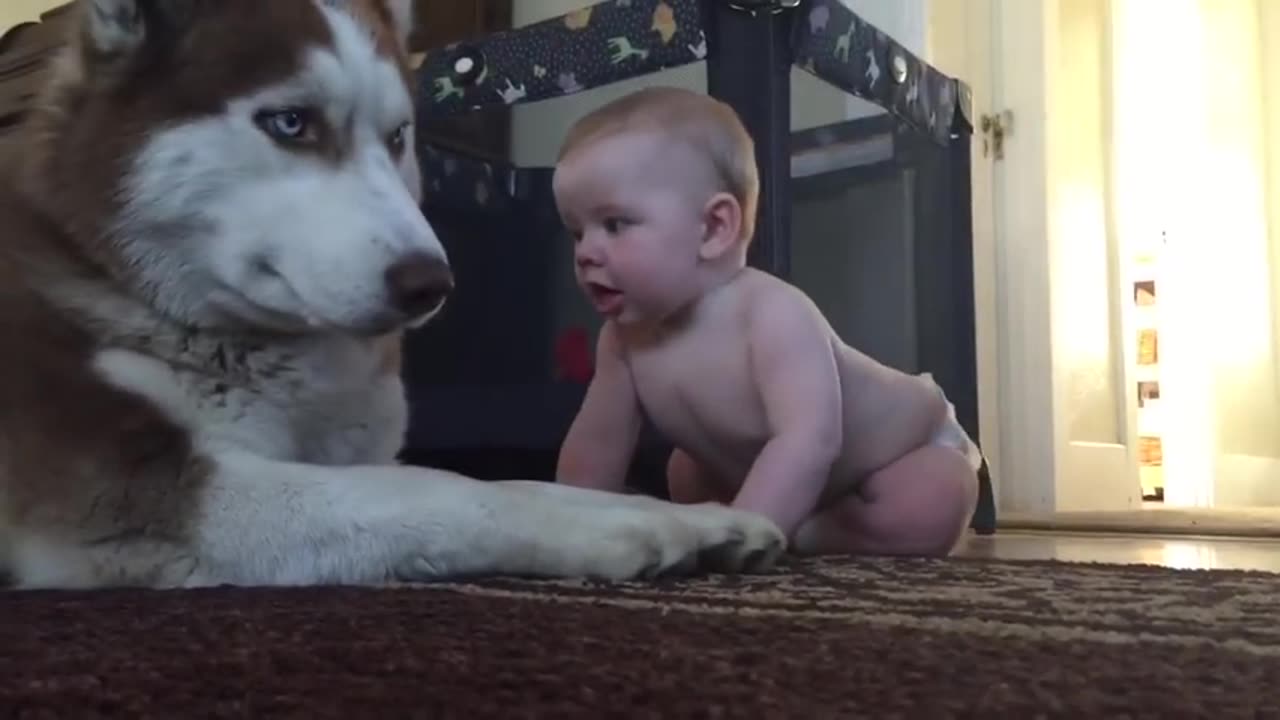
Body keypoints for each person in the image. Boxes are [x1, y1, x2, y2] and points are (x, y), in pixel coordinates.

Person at [551, 86, 982, 557]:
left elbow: (811, 440)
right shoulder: (622, 339)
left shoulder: (772, 314)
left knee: (933, 498)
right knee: (684, 473)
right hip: (757, 471)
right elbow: (597, 447)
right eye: (577, 232)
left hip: (893, 456)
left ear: (714, 228)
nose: (586, 253)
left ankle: (796, 532)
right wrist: (568, 525)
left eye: (614, 224)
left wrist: (742, 535)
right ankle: (783, 524)